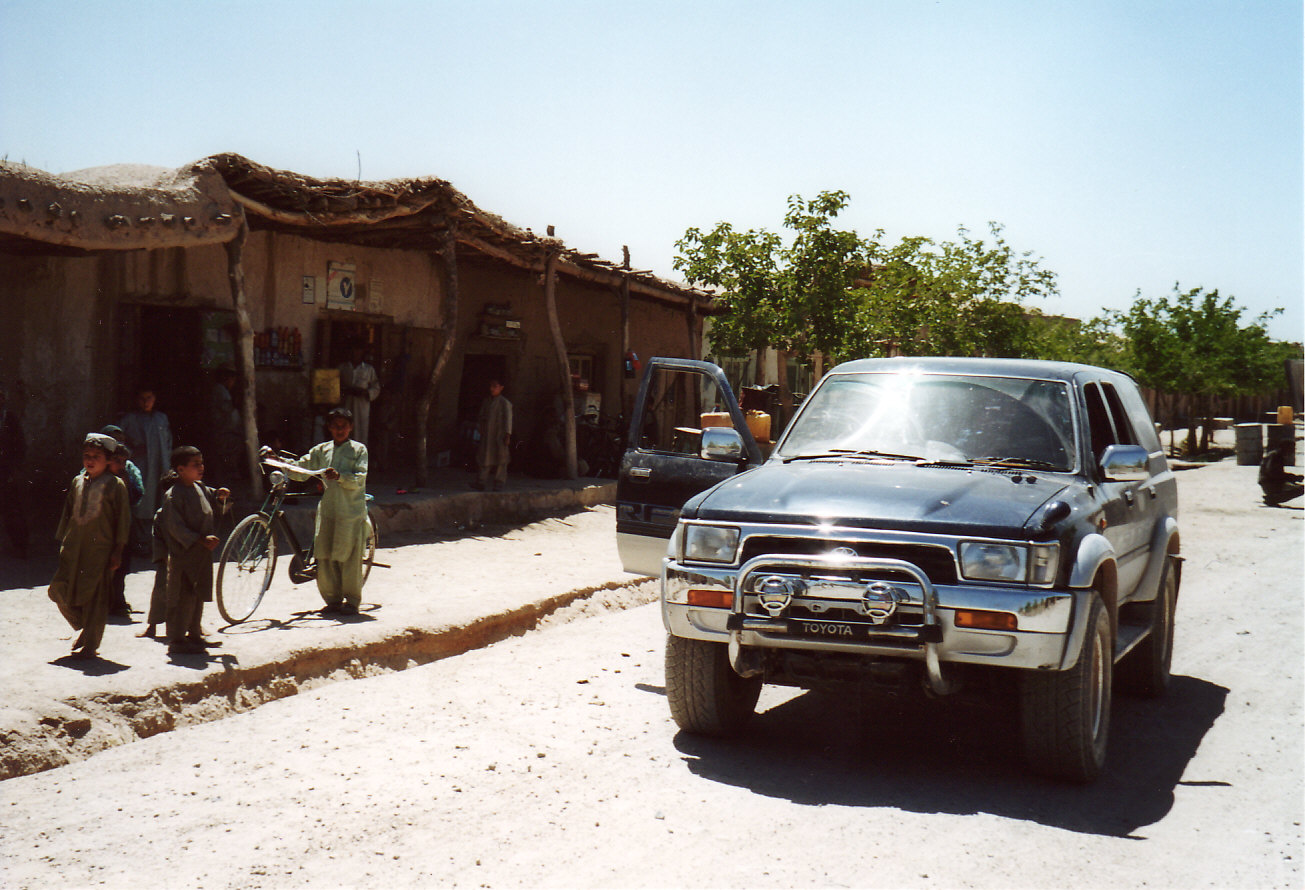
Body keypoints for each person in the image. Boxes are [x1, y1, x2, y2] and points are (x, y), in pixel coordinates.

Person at [47, 433, 132, 659]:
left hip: (100, 551)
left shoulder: (116, 485)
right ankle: (85, 626)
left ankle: (91, 645)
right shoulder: (77, 482)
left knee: (96, 597)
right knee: (58, 590)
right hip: (74, 548)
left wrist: (117, 552)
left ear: (108, 460)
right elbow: (68, 514)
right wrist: (63, 542)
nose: (90, 460)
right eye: (87, 455)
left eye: (97, 456)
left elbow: (123, 521)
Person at [287, 407, 369, 615]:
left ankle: (351, 601)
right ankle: (332, 600)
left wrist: (340, 476)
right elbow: (301, 470)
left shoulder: (359, 450)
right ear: (329, 428)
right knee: (324, 553)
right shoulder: (321, 450)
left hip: (350, 510)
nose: (339, 430)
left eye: (343, 426)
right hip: (329, 509)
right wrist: (280, 463)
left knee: (349, 556)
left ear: (350, 427)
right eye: (335, 426)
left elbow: (359, 478)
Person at [158, 446, 229, 655]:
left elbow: (209, 495)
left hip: (201, 554)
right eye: (195, 464)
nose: (201, 467)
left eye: (201, 463)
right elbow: (175, 527)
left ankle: (195, 634)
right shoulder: (174, 495)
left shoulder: (198, 487)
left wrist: (219, 495)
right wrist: (199, 539)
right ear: (180, 469)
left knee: (198, 594)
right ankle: (178, 639)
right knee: (183, 596)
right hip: (184, 553)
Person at [120, 386, 172, 553]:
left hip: (160, 466)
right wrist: (132, 452)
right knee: (143, 504)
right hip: (141, 467)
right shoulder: (130, 420)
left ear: (154, 399)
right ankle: (141, 544)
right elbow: (118, 442)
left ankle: (157, 543)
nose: (146, 402)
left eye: (149, 397)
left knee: (161, 502)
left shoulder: (161, 419)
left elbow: (168, 442)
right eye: (142, 398)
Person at [138, 469, 179, 640]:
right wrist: (162, 557)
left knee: (189, 595)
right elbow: (158, 538)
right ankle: (152, 626)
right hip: (167, 559)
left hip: (185, 558)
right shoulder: (161, 514)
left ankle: (194, 626)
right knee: (160, 592)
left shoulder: (190, 511)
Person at [106, 440, 144, 619]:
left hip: (123, 527)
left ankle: (117, 600)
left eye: (123, 461)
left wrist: (127, 484)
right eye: (116, 461)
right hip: (103, 529)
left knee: (120, 567)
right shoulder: (98, 476)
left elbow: (136, 495)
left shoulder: (127, 474)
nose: (121, 465)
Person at [0, 384, 28, 558]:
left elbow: (19, 445)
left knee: (12, 511)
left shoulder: (9, 418)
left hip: (6, 471)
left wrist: (13, 468)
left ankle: (21, 547)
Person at [474, 378, 513, 491]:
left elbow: (508, 420)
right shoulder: (487, 402)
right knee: (484, 458)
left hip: (499, 436)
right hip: (488, 436)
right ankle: (481, 482)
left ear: (501, 388)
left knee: (502, 459)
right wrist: (481, 428)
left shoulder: (505, 403)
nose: (492, 389)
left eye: (495, 386)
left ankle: (499, 482)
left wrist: (507, 435)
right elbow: (481, 416)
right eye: (491, 386)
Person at [338, 346, 380, 444]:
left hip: (361, 407)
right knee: (344, 431)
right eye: (352, 350)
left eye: (358, 350)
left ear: (362, 352)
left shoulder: (368, 369)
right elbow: (334, 386)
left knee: (360, 433)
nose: (355, 353)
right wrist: (345, 390)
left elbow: (376, 387)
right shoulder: (342, 368)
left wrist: (366, 393)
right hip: (346, 405)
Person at [209, 366, 242, 481]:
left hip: (226, 431)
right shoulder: (220, 390)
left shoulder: (222, 391)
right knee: (225, 458)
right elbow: (227, 409)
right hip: (224, 431)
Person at [1259, 439, 1303, 506]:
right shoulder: (1275, 456)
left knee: (1299, 488)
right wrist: (1293, 478)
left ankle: (1273, 498)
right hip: (1269, 483)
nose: (1293, 451)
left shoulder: (1276, 455)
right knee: (1300, 489)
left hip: (1270, 482)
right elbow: (1274, 473)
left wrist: (1293, 478)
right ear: (1285, 448)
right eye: (1291, 448)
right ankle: (1272, 499)